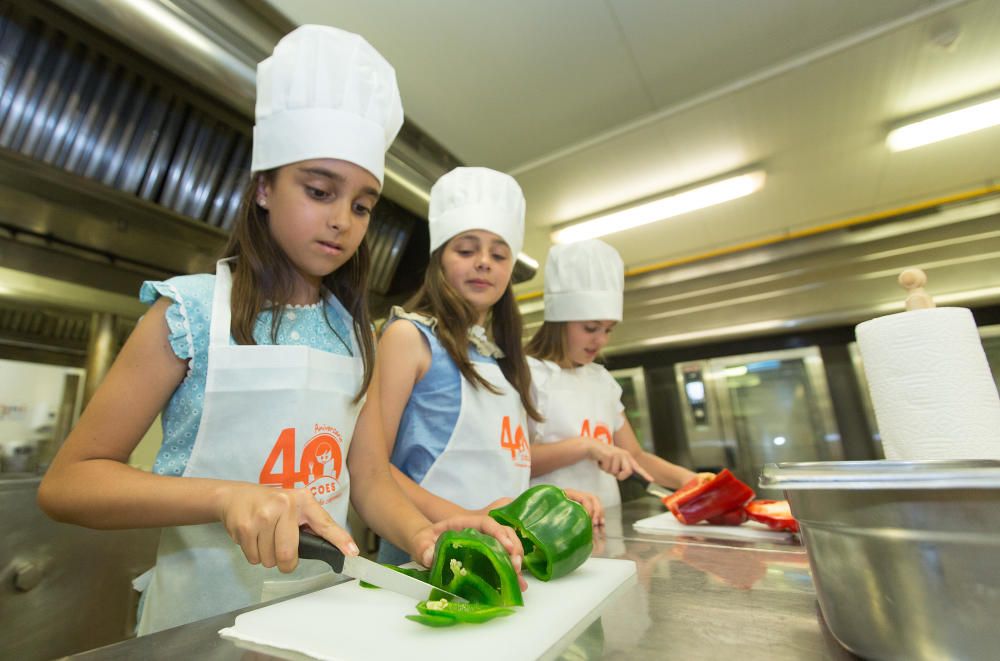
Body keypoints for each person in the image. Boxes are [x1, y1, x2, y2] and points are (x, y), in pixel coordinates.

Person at [37, 25, 521, 635]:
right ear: (264, 187)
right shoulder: (188, 314)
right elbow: (69, 483)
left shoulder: (354, 332)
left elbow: (367, 477)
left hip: (322, 621)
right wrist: (224, 496)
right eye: (320, 190)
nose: (342, 221)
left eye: (362, 204)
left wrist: (425, 535)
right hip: (197, 627)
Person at [374, 167, 602, 564]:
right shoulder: (410, 338)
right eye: (466, 250)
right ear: (439, 259)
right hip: (424, 559)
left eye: (499, 254)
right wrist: (466, 520)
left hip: (505, 556)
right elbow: (373, 470)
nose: (484, 262)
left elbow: (502, 470)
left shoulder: (502, 358)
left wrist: (546, 503)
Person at [526, 239, 697, 508]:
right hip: (547, 524)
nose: (601, 340)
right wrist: (586, 446)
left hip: (606, 515)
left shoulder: (601, 381)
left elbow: (635, 456)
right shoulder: (526, 375)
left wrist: (692, 481)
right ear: (558, 323)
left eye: (608, 330)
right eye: (591, 328)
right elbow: (516, 462)